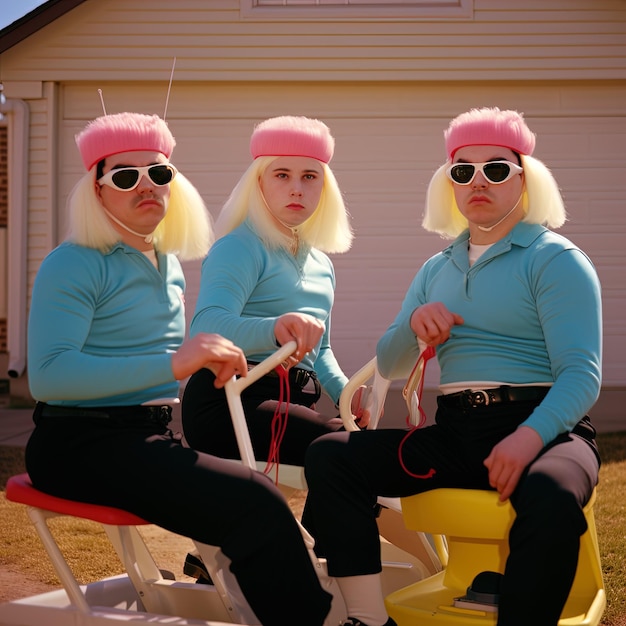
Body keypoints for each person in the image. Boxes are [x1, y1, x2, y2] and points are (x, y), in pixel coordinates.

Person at [25, 111, 332, 626]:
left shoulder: (165, 261)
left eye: (159, 173)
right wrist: (173, 362)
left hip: (148, 438)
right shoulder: (73, 260)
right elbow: (50, 377)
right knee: (255, 501)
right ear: (97, 190)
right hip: (76, 444)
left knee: (255, 501)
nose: (146, 185)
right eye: (125, 176)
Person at [302, 107, 602, 626]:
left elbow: (582, 375)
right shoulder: (434, 269)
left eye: (496, 168)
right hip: (458, 432)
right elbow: (391, 363)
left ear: (525, 178)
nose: (478, 181)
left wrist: (529, 437)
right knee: (331, 455)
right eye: (462, 171)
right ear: (450, 184)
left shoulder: (557, 259)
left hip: (548, 430)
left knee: (551, 494)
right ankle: (369, 618)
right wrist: (414, 324)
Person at [182, 115, 356, 469]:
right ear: (258, 183)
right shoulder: (239, 247)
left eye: (309, 177)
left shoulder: (323, 264)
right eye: (282, 175)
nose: (297, 188)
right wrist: (274, 328)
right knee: (355, 450)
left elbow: (320, 350)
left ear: (325, 187)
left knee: (356, 454)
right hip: (230, 401)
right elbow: (205, 328)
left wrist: (348, 396)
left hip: (292, 403)